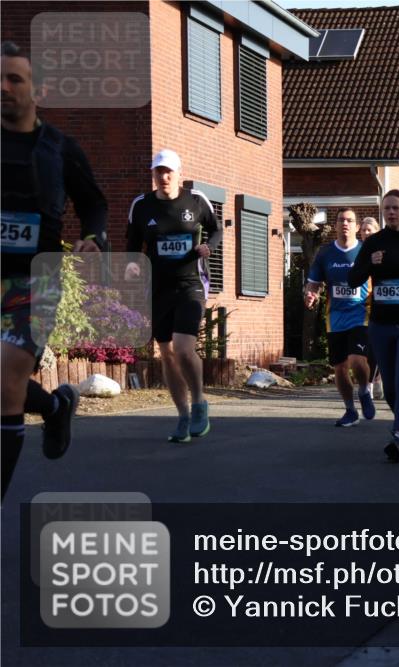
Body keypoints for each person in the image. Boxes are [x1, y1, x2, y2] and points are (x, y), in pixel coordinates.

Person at [1, 41, 107, 499]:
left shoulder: (61, 149)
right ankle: (54, 405)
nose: (3, 88)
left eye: (14, 79)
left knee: (5, 380)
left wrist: (95, 237)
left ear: (38, 89)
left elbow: (95, 203)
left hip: (35, 279)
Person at [125, 149, 220, 442]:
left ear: (179, 173)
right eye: (158, 172)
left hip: (191, 283)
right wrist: (130, 264)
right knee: (165, 353)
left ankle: (199, 402)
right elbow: (132, 245)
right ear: (153, 174)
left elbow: (215, 231)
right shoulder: (141, 205)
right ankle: (182, 416)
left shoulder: (197, 200)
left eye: (168, 172)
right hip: (158, 288)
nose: (163, 177)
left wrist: (209, 247)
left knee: (182, 347)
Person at [347, 190, 399, 462]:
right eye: (387, 208)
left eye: (396, 208)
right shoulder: (372, 244)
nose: (392, 212)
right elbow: (352, 279)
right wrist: (369, 264)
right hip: (381, 325)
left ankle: (398, 434)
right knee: (391, 389)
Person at [304, 208, 376, 427]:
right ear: (335, 226)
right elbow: (313, 282)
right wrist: (310, 293)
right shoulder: (325, 253)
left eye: (350, 221)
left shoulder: (365, 251)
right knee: (339, 367)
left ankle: (364, 390)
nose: (345, 224)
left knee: (356, 359)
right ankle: (350, 410)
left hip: (361, 314)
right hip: (334, 317)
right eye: (341, 220)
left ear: (356, 227)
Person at [358, 217, 382, 399]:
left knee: (375, 345)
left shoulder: (381, 250)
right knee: (365, 346)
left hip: (377, 303)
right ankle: (371, 380)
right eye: (363, 230)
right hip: (357, 306)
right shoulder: (356, 250)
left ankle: (373, 382)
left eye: (369, 230)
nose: (366, 233)